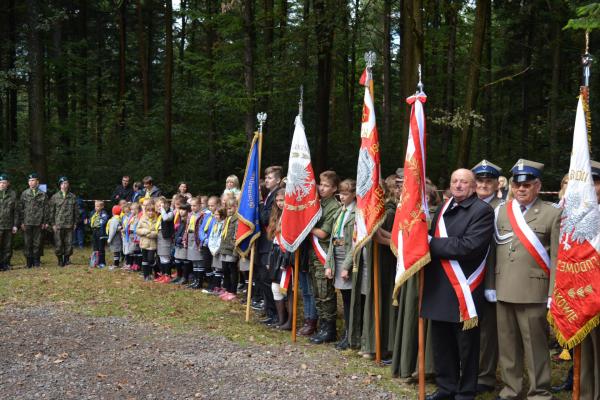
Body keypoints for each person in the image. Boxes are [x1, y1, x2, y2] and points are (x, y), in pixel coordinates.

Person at [490, 159, 561, 400]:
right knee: (508, 345)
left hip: (534, 290)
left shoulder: (552, 213)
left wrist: (553, 293)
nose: (521, 189)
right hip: (503, 287)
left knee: (535, 346)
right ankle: (511, 389)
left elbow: (557, 257)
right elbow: (492, 252)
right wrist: (491, 285)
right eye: (517, 184)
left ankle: (539, 391)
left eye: (527, 185)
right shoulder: (501, 211)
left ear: (538, 186)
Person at [422, 168, 494, 400]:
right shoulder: (445, 206)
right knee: (442, 343)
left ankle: (465, 391)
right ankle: (446, 388)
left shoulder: (482, 210)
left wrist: (432, 243)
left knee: (466, 346)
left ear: (473, 187)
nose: (458, 185)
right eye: (454, 181)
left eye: (464, 182)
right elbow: (451, 242)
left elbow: (469, 246)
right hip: (440, 284)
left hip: (464, 287)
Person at [471, 160, 503, 394]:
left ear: (496, 184)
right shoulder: (463, 204)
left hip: (492, 275)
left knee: (487, 330)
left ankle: (485, 376)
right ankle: (465, 371)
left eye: (488, 181)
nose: (483, 184)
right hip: (464, 275)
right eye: (479, 180)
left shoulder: (504, 208)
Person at [309, 170, 341, 344]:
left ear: (335, 188)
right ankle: (322, 326)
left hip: (324, 255)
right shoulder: (317, 203)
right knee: (317, 293)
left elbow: (323, 233)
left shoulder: (333, 207)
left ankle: (329, 329)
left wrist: (306, 226)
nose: (321, 188)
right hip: (313, 255)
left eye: (326, 185)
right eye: (320, 184)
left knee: (325, 294)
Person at [324, 179, 356, 350]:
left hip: (347, 256)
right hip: (337, 254)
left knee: (350, 300)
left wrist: (346, 266)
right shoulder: (340, 211)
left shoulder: (356, 212)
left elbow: (355, 242)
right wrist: (329, 263)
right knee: (343, 297)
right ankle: (346, 333)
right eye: (340, 194)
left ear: (353, 194)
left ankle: (350, 335)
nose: (342, 197)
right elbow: (332, 240)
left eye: (345, 194)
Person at [579, 159, 600, 400]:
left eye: (594, 183)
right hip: (582, 289)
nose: (590, 188)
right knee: (584, 349)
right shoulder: (575, 213)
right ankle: (585, 393)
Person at [257, 166, 283, 324]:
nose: (266, 180)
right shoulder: (269, 195)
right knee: (263, 278)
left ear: (278, 180)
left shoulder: (277, 196)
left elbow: (267, 218)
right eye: (266, 177)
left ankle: (275, 314)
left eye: (270, 177)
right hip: (263, 242)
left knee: (268, 279)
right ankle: (269, 310)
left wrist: (260, 204)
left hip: (271, 243)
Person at [19, 173, 49, 268]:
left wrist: (45, 222)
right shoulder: (24, 193)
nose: (32, 182)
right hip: (27, 222)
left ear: (37, 182)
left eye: (33, 180)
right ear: (28, 182)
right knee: (28, 242)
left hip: (39, 222)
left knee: (38, 242)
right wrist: (22, 222)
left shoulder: (43, 194)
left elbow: (46, 209)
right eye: (30, 181)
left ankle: (36, 261)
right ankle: (29, 262)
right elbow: (21, 209)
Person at [49, 176, 79, 267]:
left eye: (66, 183)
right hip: (58, 224)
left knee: (69, 243)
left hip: (69, 224)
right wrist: (53, 224)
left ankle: (66, 259)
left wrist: (75, 223)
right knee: (58, 243)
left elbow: (76, 211)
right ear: (60, 185)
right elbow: (51, 211)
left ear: (68, 185)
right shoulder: (55, 197)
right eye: (62, 184)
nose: (64, 185)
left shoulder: (72, 196)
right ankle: (59, 260)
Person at [218, 198, 239, 301]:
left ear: (236, 207)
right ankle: (227, 289)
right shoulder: (227, 219)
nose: (229, 210)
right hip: (224, 248)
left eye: (231, 208)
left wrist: (235, 251)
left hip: (231, 249)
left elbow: (236, 235)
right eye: (227, 208)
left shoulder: (237, 219)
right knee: (225, 269)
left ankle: (233, 291)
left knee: (232, 270)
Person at [0, 174, 18, 271]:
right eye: (1, 183)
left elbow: (16, 211)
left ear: (8, 184)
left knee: (8, 246)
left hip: (8, 225)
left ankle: (6, 264)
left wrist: (15, 225)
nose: (2, 184)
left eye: (4, 183)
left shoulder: (12, 194)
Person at [155, 197, 175, 282]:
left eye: (161, 205)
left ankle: (168, 275)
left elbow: (166, 218)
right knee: (161, 256)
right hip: (160, 237)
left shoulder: (170, 213)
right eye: (158, 206)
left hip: (165, 238)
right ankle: (163, 274)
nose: (159, 207)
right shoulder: (159, 215)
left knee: (165, 256)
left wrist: (162, 209)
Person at [172, 203, 191, 284]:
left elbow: (186, 231)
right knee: (177, 260)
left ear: (187, 211)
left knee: (185, 260)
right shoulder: (180, 218)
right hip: (177, 242)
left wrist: (181, 239)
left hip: (184, 243)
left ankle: (185, 277)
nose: (181, 211)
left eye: (184, 210)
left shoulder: (188, 219)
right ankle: (179, 276)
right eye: (180, 209)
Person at [89, 200, 109, 268]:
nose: (96, 207)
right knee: (95, 247)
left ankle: (102, 262)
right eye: (95, 206)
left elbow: (103, 221)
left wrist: (97, 223)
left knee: (101, 248)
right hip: (94, 231)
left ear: (102, 206)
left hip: (101, 232)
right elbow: (91, 220)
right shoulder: (93, 213)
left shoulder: (103, 213)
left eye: (98, 206)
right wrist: (88, 222)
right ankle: (95, 261)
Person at [106, 205, 123, 270]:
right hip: (119, 237)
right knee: (118, 251)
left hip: (115, 238)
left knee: (116, 251)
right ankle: (118, 262)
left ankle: (116, 264)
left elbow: (112, 230)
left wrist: (109, 239)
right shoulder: (119, 218)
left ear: (113, 212)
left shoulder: (114, 220)